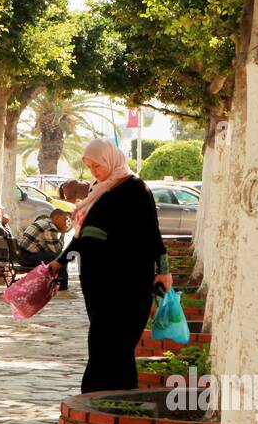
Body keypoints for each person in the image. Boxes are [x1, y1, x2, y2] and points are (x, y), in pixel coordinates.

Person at [48, 140, 170, 393]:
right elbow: (82, 238)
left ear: (112, 160)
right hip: (98, 280)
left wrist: (164, 271)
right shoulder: (99, 190)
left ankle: (112, 397)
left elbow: (152, 235)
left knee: (118, 341)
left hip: (130, 279)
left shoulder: (135, 188)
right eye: (89, 166)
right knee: (102, 339)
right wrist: (60, 261)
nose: (94, 171)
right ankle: (105, 398)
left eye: (97, 165)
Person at [15, 209, 71, 289]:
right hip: (27, 258)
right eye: (64, 219)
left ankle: (53, 283)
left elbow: (51, 248)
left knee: (57, 256)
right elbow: (56, 250)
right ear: (57, 218)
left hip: (21, 255)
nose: (66, 222)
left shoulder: (43, 221)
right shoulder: (50, 227)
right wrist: (63, 234)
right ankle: (61, 287)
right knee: (62, 258)